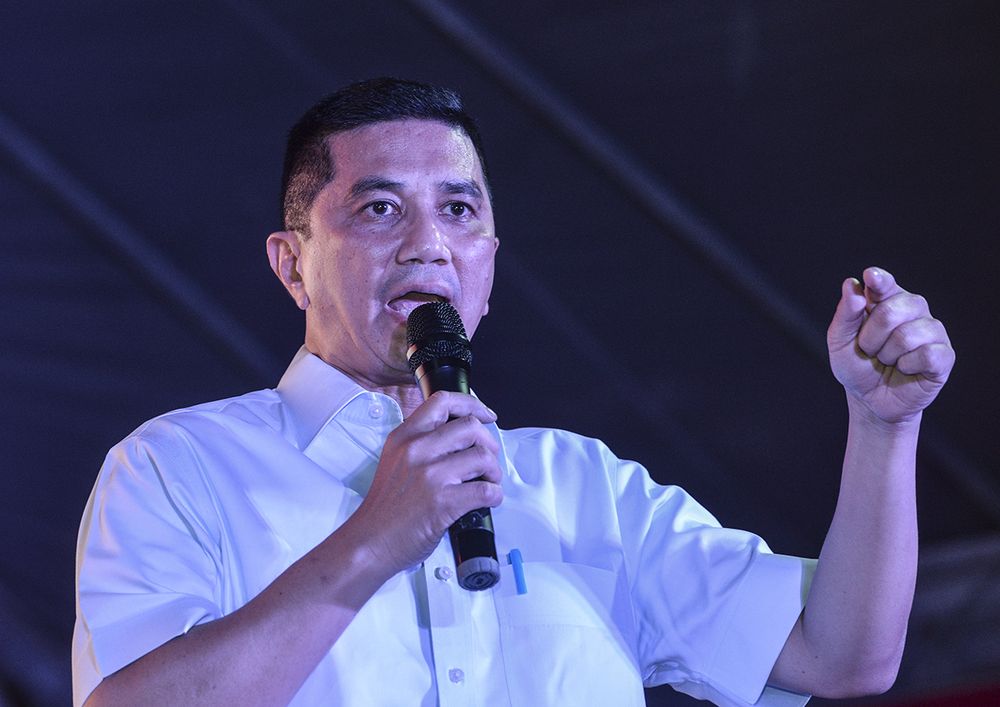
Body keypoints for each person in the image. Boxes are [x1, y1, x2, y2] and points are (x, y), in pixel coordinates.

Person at [72, 77, 955, 707]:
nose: (429, 243)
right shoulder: (178, 467)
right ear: (292, 261)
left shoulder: (584, 485)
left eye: (460, 210)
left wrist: (885, 427)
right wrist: (377, 538)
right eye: (380, 209)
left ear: (491, 259)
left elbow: (845, 656)